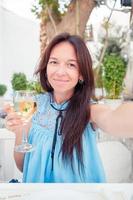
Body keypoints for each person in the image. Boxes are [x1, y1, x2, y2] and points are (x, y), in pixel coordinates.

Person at [5, 32, 133, 183]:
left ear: (81, 74)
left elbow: (114, 119)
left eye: (71, 64)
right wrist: (20, 131)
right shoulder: (33, 106)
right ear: (46, 67)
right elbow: (23, 166)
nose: (60, 72)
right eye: (54, 62)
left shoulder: (90, 110)